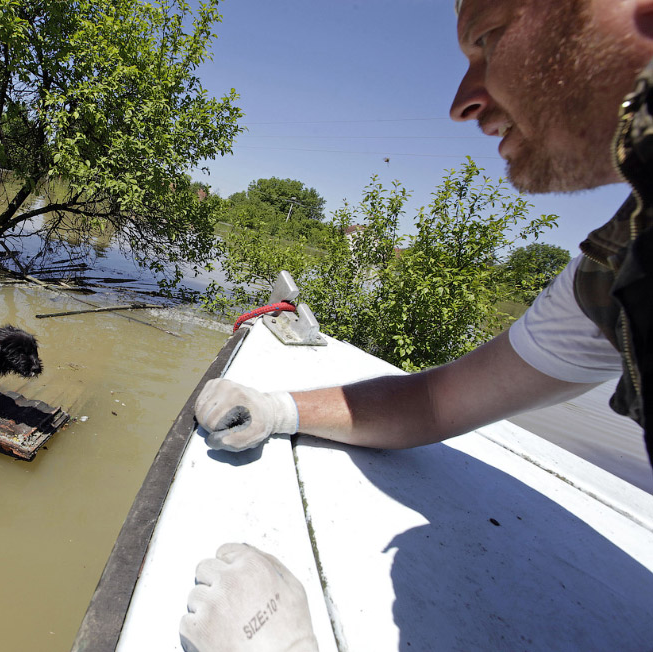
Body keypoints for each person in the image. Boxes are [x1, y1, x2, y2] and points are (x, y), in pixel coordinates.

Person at [181, 0, 653, 649]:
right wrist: (276, 408)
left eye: (489, 38)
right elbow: (434, 401)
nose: (462, 103)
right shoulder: (614, 271)